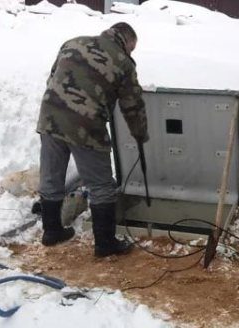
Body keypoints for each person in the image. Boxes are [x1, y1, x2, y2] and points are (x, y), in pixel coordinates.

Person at [36, 22, 149, 257]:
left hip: (50, 116)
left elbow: (53, 78)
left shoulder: (73, 42)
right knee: (101, 185)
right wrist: (139, 134)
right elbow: (132, 105)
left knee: (51, 177)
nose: (130, 53)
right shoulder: (123, 61)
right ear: (126, 41)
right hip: (86, 125)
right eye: (132, 48)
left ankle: (52, 231)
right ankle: (105, 244)